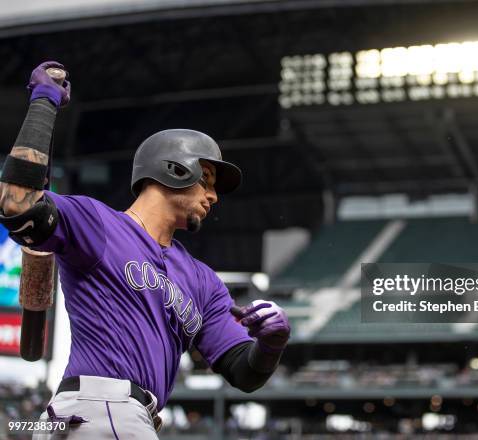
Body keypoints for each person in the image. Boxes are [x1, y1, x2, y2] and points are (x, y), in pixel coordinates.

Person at [0, 61, 290, 439]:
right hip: (101, 409)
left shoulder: (203, 282)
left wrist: (271, 345)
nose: (214, 195)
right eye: (208, 180)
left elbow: (244, 372)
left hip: (113, 417)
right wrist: (43, 105)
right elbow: (18, 204)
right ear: (175, 169)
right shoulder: (99, 224)